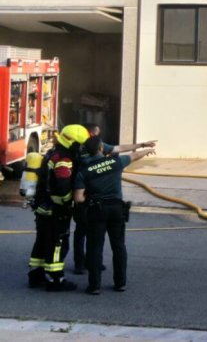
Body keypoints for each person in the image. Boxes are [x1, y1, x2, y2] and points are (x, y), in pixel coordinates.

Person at [74, 135, 155, 295]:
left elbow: (78, 198)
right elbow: (134, 156)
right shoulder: (115, 162)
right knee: (118, 246)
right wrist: (147, 150)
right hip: (117, 209)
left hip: (96, 211)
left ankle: (95, 286)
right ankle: (120, 283)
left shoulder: (83, 172)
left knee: (94, 248)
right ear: (101, 149)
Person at [27, 124, 91, 291]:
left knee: (41, 241)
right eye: (81, 144)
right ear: (74, 143)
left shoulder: (52, 152)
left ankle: (36, 275)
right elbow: (62, 185)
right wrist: (68, 203)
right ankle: (56, 280)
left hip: (42, 207)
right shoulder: (64, 159)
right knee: (58, 244)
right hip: (56, 210)